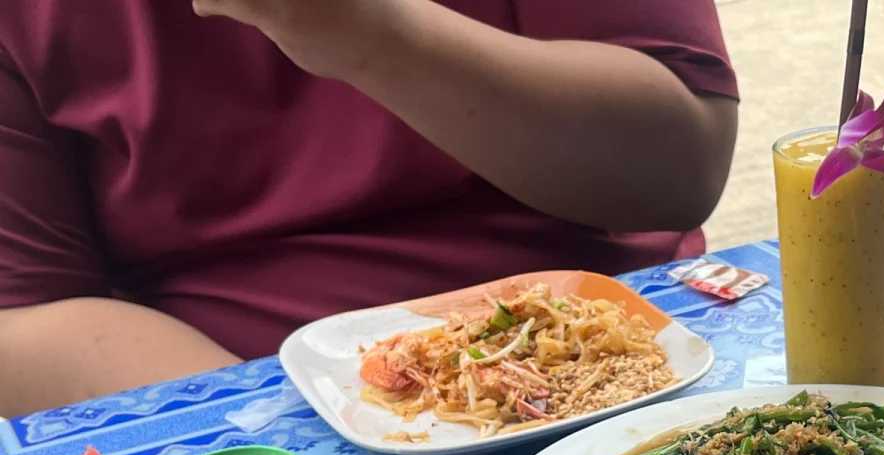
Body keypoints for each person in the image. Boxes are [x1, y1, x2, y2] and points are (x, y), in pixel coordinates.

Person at [0, 1, 738, 415]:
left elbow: (678, 167)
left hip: (609, 380)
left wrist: (366, 29)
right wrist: (311, 421)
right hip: (238, 421)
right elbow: (24, 319)